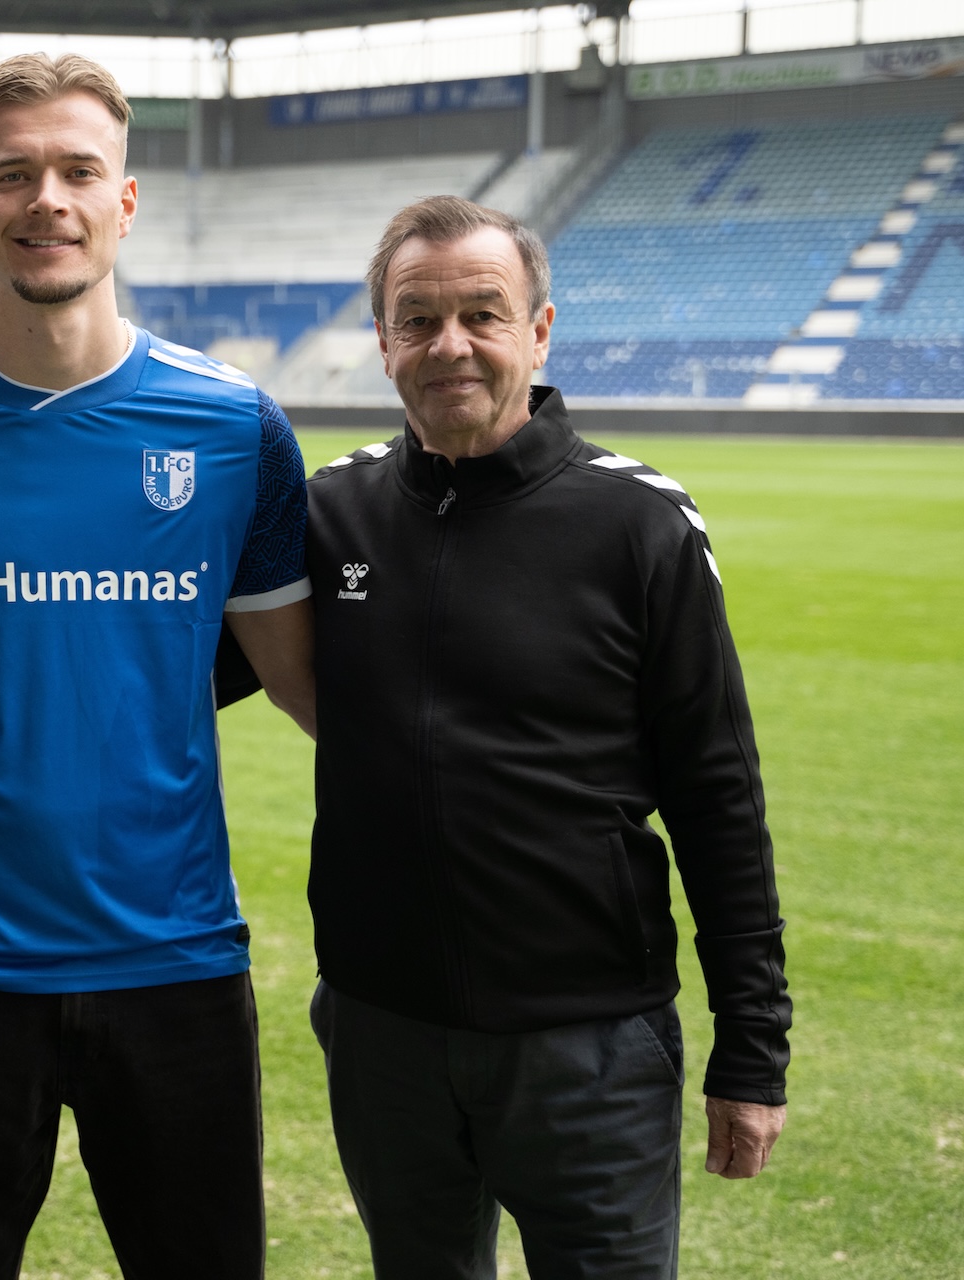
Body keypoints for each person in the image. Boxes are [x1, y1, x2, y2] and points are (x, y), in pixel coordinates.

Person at [0, 52, 317, 1280]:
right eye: (12, 174)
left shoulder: (235, 428)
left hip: (180, 963)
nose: (48, 199)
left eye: (80, 171)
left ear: (124, 202)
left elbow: (317, 691)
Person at [297, 195, 791, 1278]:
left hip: (591, 1049)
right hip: (382, 1036)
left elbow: (718, 794)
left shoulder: (640, 521)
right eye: (418, 319)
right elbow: (178, 665)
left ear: (540, 329)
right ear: (382, 340)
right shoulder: (329, 512)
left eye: (483, 313)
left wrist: (753, 1049)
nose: (451, 344)